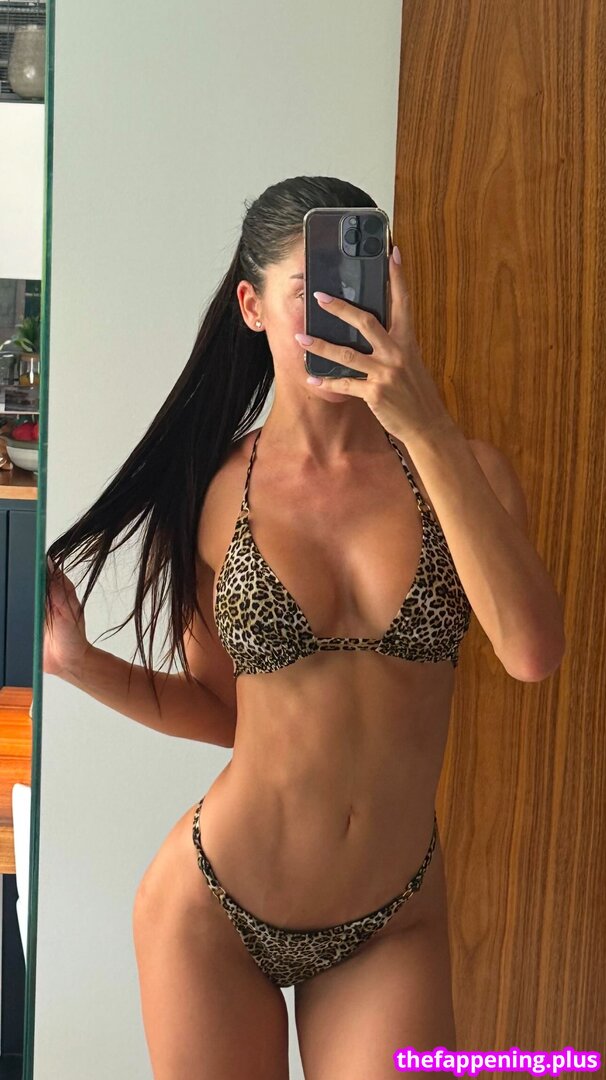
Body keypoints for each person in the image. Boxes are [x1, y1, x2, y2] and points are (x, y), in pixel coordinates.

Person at [44, 175, 566, 1079]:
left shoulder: (465, 471)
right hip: (215, 910)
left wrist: (426, 426)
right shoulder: (214, 491)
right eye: (311, 294)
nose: (345, 317)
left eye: (364, 291)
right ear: (252, 308)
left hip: (393, 917)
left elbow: (530, 652)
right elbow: (222, 712)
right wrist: (79, 663)